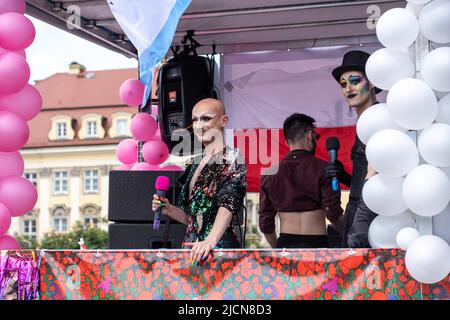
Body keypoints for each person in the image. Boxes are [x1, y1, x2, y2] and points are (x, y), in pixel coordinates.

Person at [152, 98, 247, 263]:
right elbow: (193, 219)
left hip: (218, 252)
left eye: (206, 118)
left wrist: (210, 240)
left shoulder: (232, 157)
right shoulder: (194, 163)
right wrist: (169, 209)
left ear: (223, 121)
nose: (198, 125)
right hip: (191, 250)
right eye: (195, 120)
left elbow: (228, 204)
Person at [259, 113, 344, 248]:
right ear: (309, 135)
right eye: (316, 136)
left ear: (287, 142)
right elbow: (333, 212)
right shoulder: (324, 168)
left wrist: (278, 249)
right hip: (317, 246)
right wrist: (349, 235)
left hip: (285, 244)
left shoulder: (269, 174)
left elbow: (265, 223)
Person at [327, 50, 380, 248]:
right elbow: (366, 175)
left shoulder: (377, 118)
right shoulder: (364, 122)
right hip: (356, 208)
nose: (348, 88)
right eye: (343, 84)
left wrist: (361, 221)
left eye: (355, 80)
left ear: (372, 82)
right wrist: (344, 176)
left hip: (371, 214)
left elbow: (377, 176)